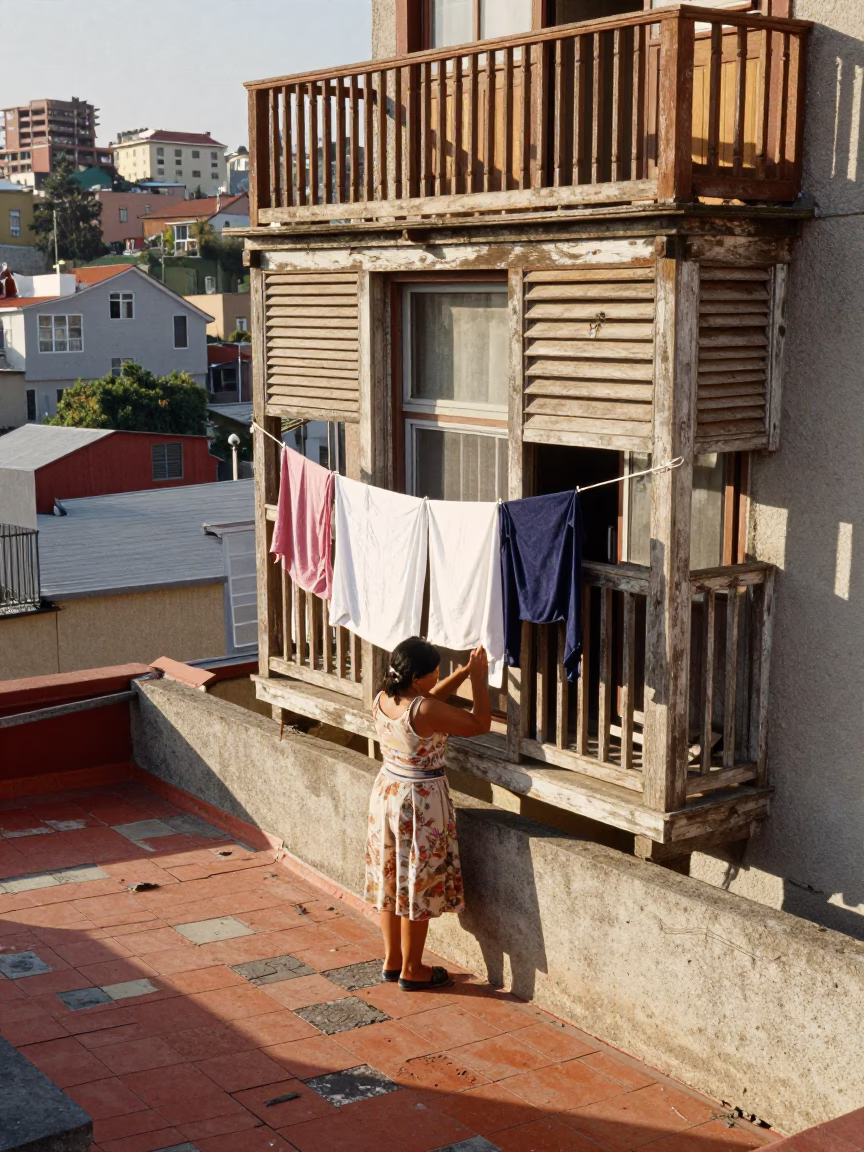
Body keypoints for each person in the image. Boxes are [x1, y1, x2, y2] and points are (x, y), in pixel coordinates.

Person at [365, 636, 491, 991]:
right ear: (419, 678)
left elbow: (429, 702)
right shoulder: (424, 710)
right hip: (419, 800)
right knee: (416, 883)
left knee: (391, 878)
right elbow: (479, 723)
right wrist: (479, 681)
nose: (439, 676)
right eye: (437, 672)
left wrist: (464, 673)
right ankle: (413, 969)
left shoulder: (384, 697)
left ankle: (392, 960)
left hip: (387, 792)